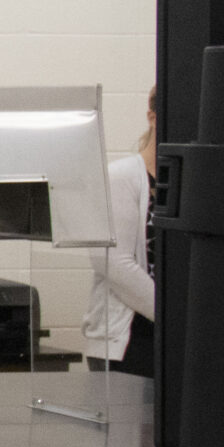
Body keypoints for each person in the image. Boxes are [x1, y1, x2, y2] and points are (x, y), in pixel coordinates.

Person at [87, 88, 157, 374]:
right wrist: (179, 318)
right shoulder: (121, 176)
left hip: (180, 336)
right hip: (130, 340)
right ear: (152, 117)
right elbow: (113, 263)